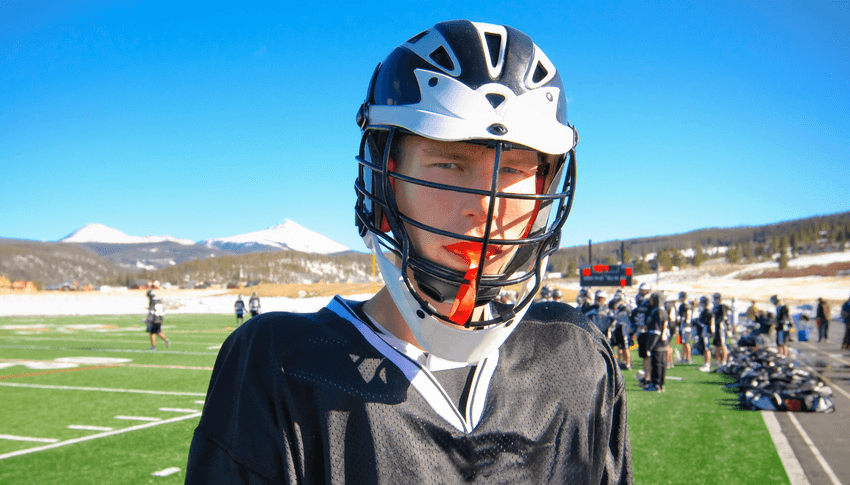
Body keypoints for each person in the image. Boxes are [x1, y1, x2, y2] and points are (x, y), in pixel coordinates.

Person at [186, 20, 631, 484]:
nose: (485, 208)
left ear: (545, 186)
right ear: (386, 180)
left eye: (514, 169)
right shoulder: (280, 365)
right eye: (448, 164)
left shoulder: (576, 357)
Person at [643, 292, 668, 391]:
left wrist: (650, 345)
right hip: (663, 341)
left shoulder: (657, 312)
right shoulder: (664, 311)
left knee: (656, 363)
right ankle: (661, 384)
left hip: (657, 341)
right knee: (662, 363)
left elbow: (656, 330)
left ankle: (655, 384)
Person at [610, 290, 632, 370]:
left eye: (618, 300)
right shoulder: (618, 308)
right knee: (620, 347)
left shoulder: (625, 308)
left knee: (625, 347)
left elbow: (623, 319)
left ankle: (628, 363)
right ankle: (619, 362)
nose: (616, 301)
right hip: (619, 328)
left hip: (624, 329)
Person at [711, 292, 729, 366]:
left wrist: (719, 324)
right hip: (716, 326)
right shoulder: (715, 307)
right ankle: (717, 360)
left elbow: (724, 317)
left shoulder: (722, 306)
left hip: (721, 327)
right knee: (717, 344)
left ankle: (724, 361)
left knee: (722, 344)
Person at [695, 296, 712, 371]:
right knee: (705, 348)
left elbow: (705, 323)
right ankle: (706, 363)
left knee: (706, 348)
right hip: (704, 332)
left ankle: (707, 365)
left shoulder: (707, 312)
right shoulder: (705, 311)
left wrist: (696, 322)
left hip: (705, 332)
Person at [676, 292, 692, 364]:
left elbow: (687, 316)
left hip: (685, 326)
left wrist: (685, 323)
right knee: (683, 343)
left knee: (686, 343)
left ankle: (688, 358)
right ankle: (684, 357)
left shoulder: (685, 306)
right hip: (683, 326)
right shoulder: (683, 305)